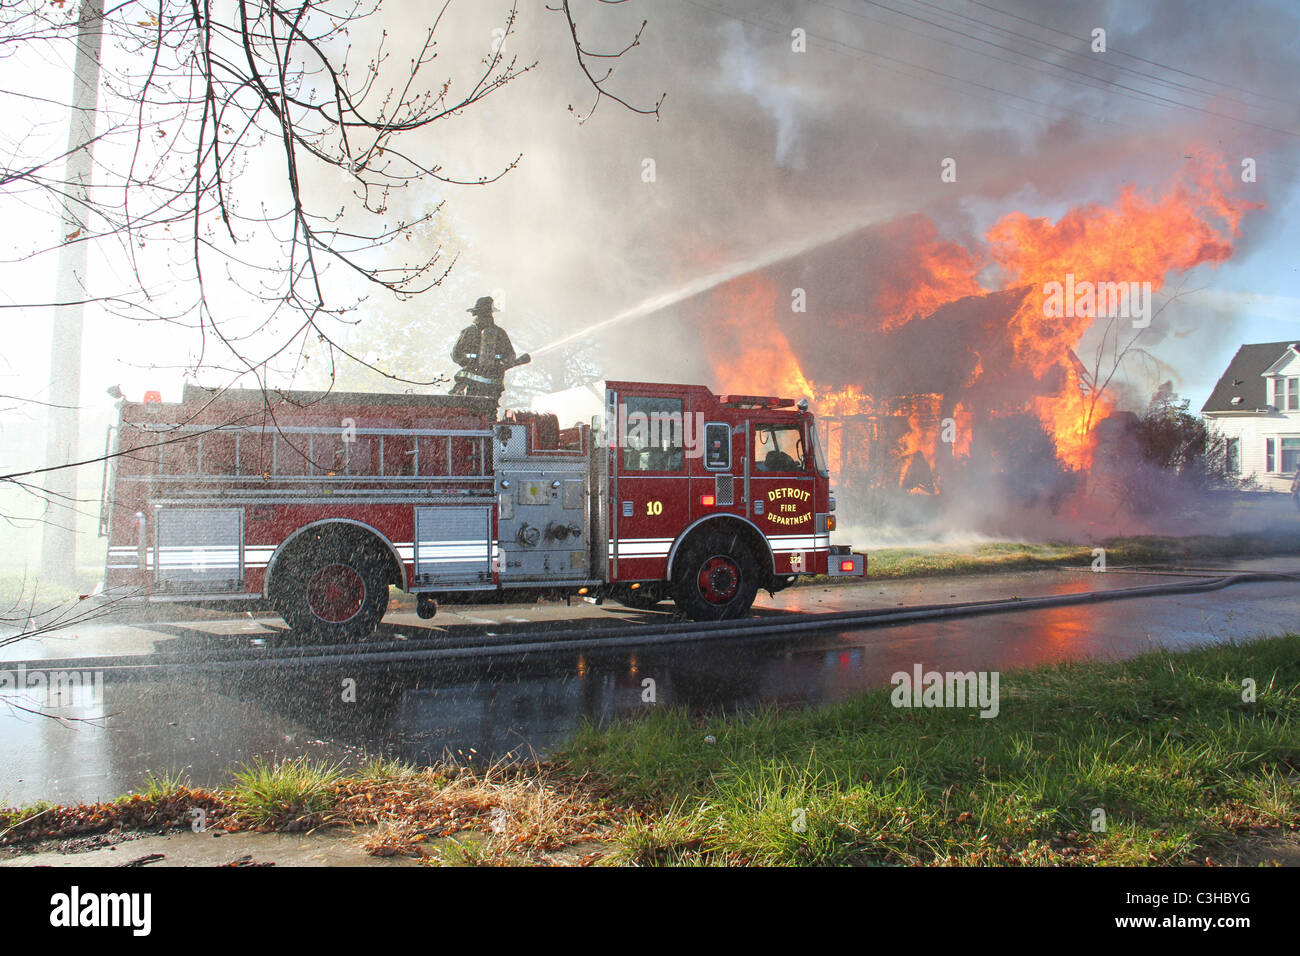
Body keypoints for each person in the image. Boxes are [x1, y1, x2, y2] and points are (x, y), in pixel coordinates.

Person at [450, 296, 528, 412]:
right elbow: (510, 356)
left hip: (472, 382)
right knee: (489, 412)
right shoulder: (500, 333)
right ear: (491, 313)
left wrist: (469, 364)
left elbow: (455, 355)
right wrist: (499, 366)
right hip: (493, 383)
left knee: (470, 411)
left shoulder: (468, 332)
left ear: (476, 313)